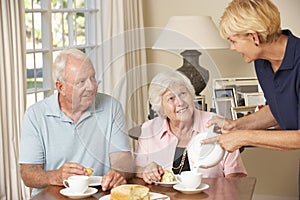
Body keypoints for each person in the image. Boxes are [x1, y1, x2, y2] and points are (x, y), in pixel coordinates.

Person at [200, 0, 300, 198]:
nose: (231, 48)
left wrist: (243, 137)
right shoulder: (263, 63)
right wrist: (236, 125)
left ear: (254, 37)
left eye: (233, 41)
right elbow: (279, 108)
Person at [19, 49, 135, 196]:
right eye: (81, 82)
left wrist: (119, 172)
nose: (91, 87)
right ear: (61, 87)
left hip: (97, 195)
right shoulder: (35, 115)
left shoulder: (111, 107)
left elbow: (123, 158)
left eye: (93, 78)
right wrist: (56, 176)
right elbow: (28, 173)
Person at [135, 71, 247, 184]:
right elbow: (137, 169)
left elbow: (236, 175)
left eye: (183, 93)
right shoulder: (149, 130)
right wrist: (146, 171)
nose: (180, 102)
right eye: (171, 98)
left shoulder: (216, 125)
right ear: (161, 107)